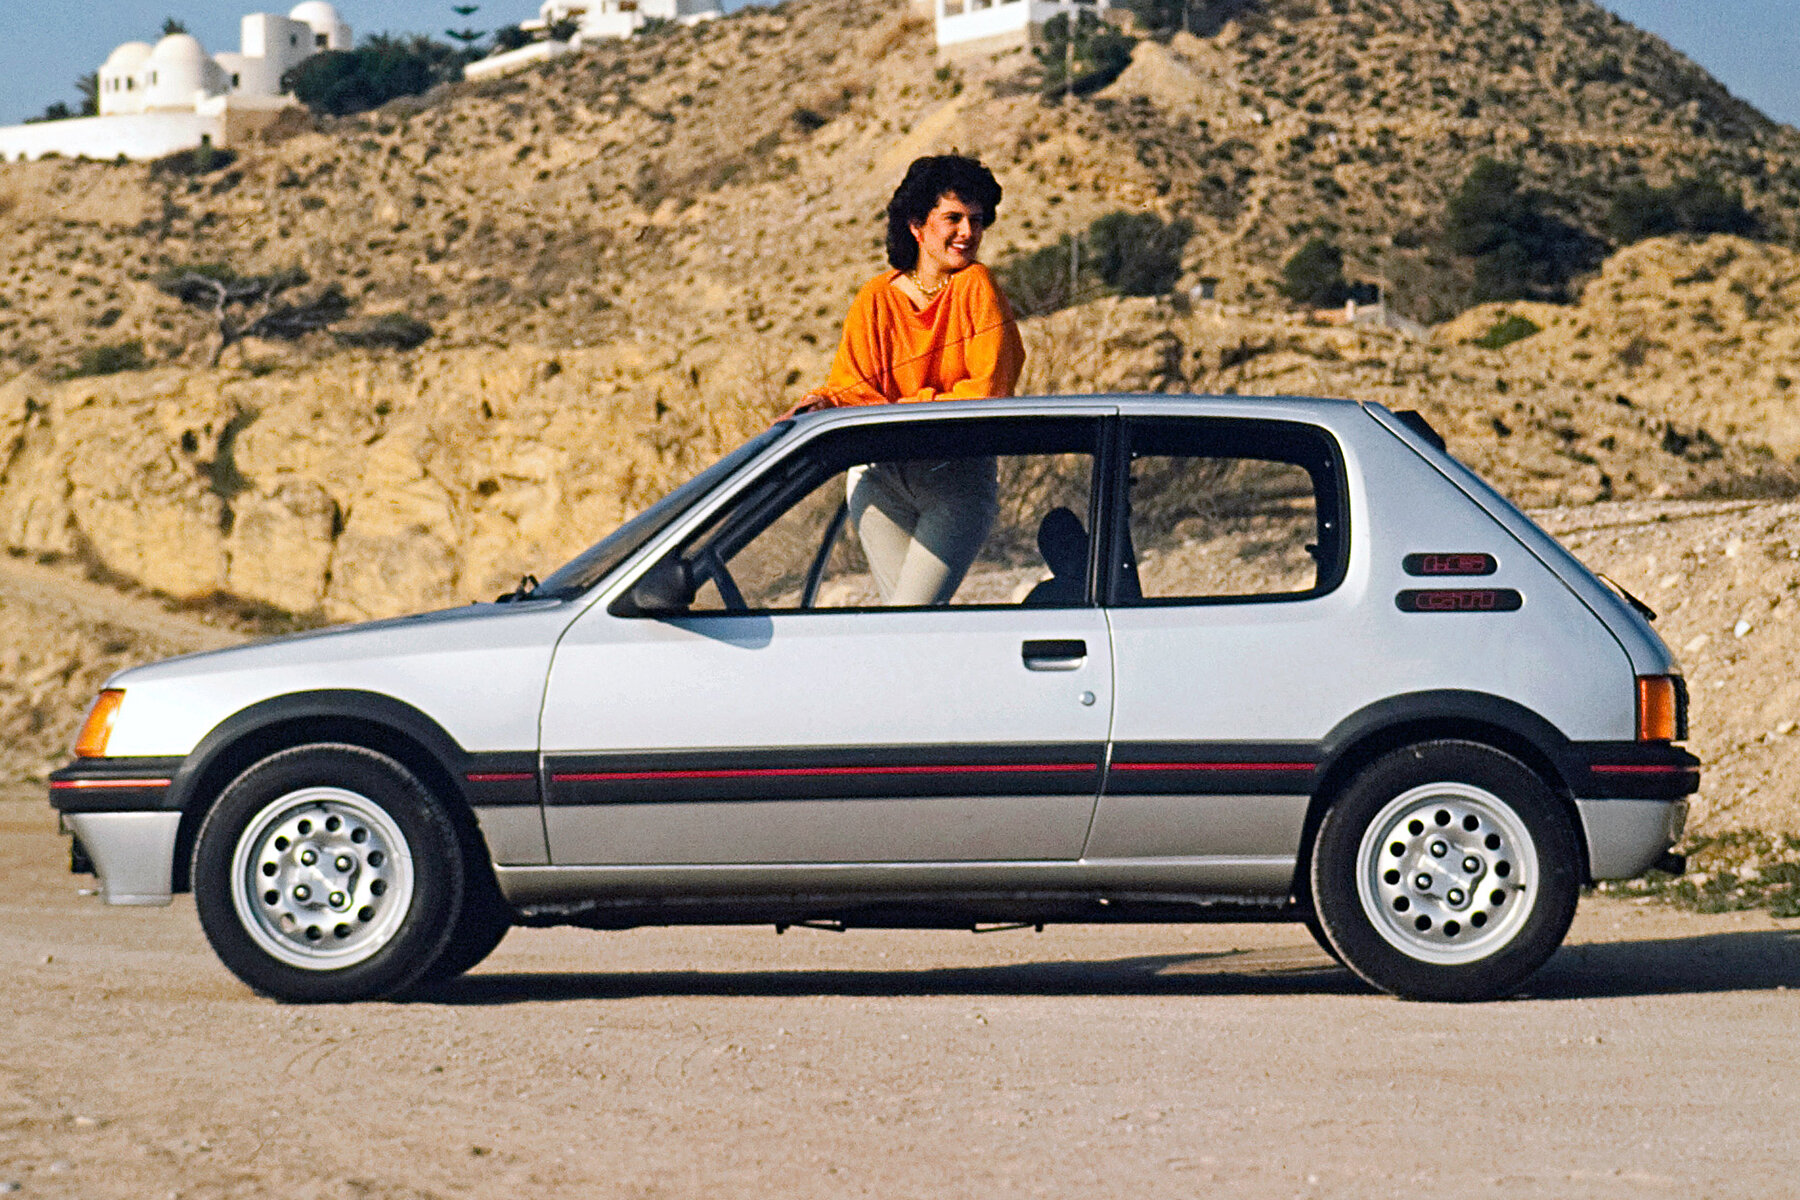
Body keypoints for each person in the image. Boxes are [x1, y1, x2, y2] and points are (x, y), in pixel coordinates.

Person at [791, 154, 1026, 606]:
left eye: (977, 221)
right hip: (877, 479)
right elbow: (852, 389)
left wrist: (897, 406)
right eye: (953, 218)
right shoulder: (875, 298)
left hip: (954, 478)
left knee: (910, 614)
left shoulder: (977, 285)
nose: (968, 233)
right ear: (917, 225)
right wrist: (823, 404)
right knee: (904, 625)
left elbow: (989, 390)